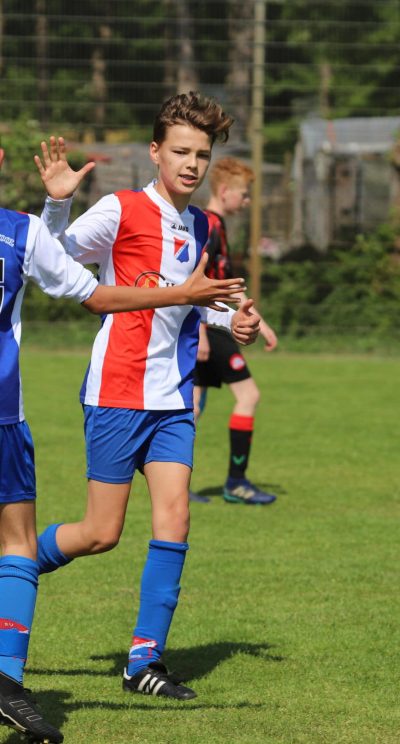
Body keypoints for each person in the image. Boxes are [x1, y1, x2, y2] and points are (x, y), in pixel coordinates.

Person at [0, 144, 245, 743]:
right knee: (100, 533)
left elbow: (186, 301)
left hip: (172, 396)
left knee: (176, 518)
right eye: (181, 151)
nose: (192, 164)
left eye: (202, 154)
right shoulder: (118, 208)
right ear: (156, 152)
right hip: (115, 390)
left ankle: (143, 662)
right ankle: (15, 593)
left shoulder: (203, 224)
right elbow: (64, 266)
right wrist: (59, 208)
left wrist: (226, 318)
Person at [191, 157, 278, 505]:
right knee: (248, 396)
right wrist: (197, 330)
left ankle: (175, 484)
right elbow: (191, 282)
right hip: (211, 328)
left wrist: (263, 324)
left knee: (192, 407)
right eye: (244, 195)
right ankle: (236, 482)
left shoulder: (216, 226)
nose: (247, 202)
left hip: (211, 326)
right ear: (225, 192)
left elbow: (228, 287)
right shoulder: (208, 226)